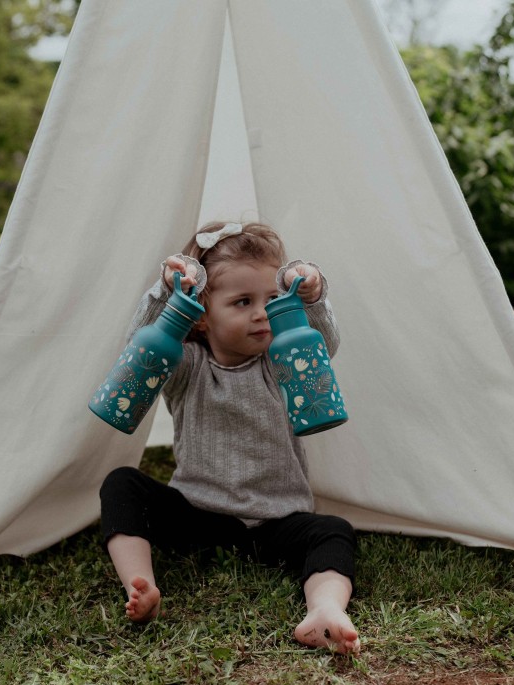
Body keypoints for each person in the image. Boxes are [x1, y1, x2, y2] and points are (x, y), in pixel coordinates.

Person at [100, 221, 360, 654]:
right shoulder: (185, 366)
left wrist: (311, 299)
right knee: (121, 483)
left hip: (278, 522)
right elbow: (139, 347)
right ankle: (140, 585)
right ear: (200, 316)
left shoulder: (283, 360)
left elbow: (324, 341)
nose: (263, 313)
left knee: (332, 530)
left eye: (272, 299)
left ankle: (324, 609)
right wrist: (168, 292)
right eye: (243, 302)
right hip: (198, 516)